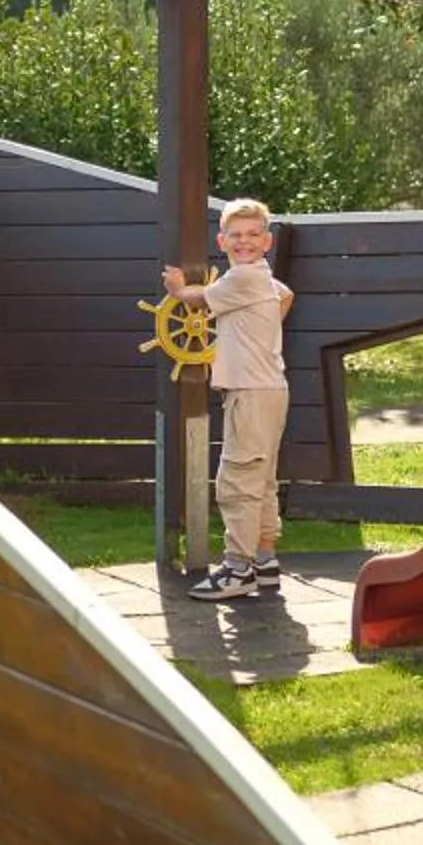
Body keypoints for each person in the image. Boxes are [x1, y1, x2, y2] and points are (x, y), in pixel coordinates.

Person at [163, 198, 295, 603]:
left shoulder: (243, 280)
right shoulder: (263, 281)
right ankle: (265, 559)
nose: (244, 241)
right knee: (262, 478)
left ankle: (238, 569)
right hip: (269, 389)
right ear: (222, 240)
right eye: (236, 235)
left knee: (237, 480)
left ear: (267, 240)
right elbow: (286, 295)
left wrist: (177, 288)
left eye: (253, 234)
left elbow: (196, 297)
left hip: (251, 393)